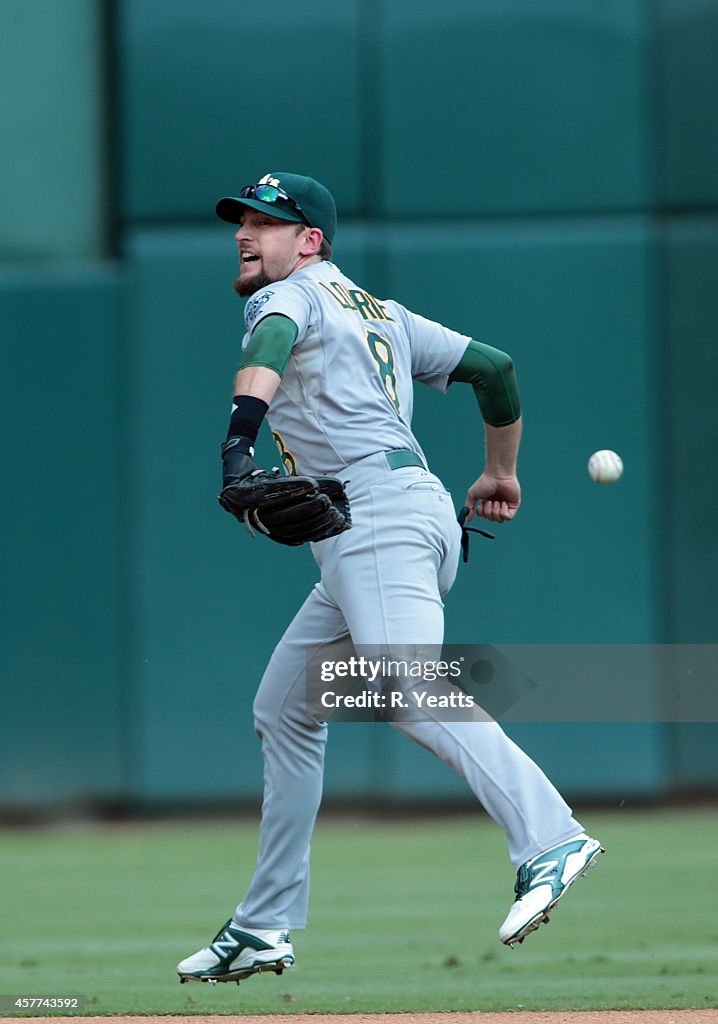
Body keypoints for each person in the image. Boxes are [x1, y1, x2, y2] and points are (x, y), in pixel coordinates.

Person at [176, 172, 603, 985]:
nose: (244, 233)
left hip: (376, 518)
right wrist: (499, 474)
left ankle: (550, 837)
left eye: (265, 222)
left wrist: (238, 449)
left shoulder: (292, 296)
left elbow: (266, 348)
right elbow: (496, 368)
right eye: (242, 220)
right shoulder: (384, 314)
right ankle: (265, 924)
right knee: (288, 706)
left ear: (310, 241)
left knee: (407, 685)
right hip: (388, 519)